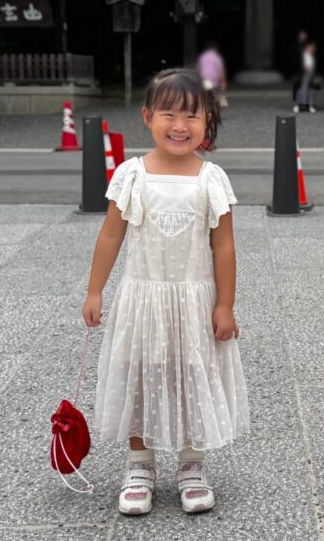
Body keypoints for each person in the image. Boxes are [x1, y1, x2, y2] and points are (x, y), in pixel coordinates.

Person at [83, 68, 249, 516]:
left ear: (207, 120)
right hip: (143, 299)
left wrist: (225, 304)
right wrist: (95, 290)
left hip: (194, 301)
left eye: (192, 116)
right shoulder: (131, 175)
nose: (180, 126)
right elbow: (110, 236)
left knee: (192, 375)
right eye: (168, 114)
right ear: (147, 116)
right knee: (141, 376)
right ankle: (140, 465)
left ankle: (191, 465)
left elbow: (224, 244)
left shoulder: (210, 178)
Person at [294, 40, 318, 113]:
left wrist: (317, 75)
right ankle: (298, 105)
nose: (313, 50)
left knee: (311, 90)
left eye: (313, 48)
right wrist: (303, 68)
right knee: (301, 90)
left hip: (311, 75)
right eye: (311, 48)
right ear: (307, 48)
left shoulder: (313, 56)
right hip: (303, 75)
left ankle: (311, 106)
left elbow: (315, 67)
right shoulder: (301, 55)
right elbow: (296, 64)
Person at [289, 29, 308, 106]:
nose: (303, 37)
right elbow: (292, 58)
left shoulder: (307, 46)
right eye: (301, 35)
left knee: (306, 86)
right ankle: (296, 103)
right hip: (297, 70)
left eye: (304, 35)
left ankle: (306, 103)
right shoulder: (294, 46)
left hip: (306, 70)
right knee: (297, 86)